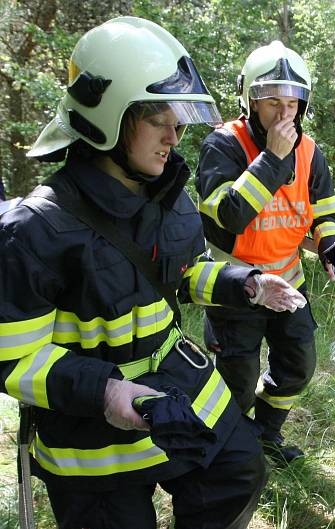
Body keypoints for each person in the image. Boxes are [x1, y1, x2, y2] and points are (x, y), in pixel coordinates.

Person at [0, 17, 307, 529]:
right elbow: (14, 360)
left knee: (240, 470)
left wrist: (246, 283)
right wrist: (107, 392)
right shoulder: (34, 230)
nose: (175, 135)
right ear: (108, 118)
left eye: (179, 119)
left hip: (178, 386)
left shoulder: (168, 197)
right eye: (157, 119)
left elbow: (184, 275)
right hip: (91, 438)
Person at [195, 41, 335, 465]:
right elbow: (228, 216)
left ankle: (265, 435)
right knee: (237, 382)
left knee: (298, 363)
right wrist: (273, 160)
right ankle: (230, 452)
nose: (283, 113)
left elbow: (324, 208)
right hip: (236, 287)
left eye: (292, 103)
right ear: (250, 102)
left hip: (288, 282)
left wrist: (330, 246)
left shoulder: (311, 151)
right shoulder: (222, 146)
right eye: (272, 101)